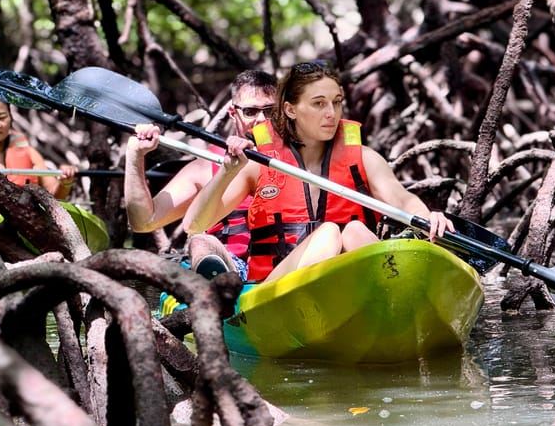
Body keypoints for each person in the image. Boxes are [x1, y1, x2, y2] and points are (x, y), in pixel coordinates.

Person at [182, 60, 455, 283]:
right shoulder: (259, 162)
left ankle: (399, 294)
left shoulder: (364, 158)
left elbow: (403, 200)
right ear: (289, 109)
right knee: (328, 233)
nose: (331, 113)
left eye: (337, 102)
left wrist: (427, 217)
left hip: (349, 283)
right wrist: (228, 172)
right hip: (276, 292)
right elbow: (194, 225)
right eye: (319, 103)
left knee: (355, 230)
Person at [124, 70, 277, 279]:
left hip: (284, 271)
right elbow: (144, 221)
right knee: (201, 242)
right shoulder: (205, 166)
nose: (261, 119)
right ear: (233, 113)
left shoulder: (302, 158)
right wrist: (135, 155)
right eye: (250, 111)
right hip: (232, 275)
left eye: (270, 111)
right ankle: (219, 288)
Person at [0, 96, 76, 200]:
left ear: (10, 118)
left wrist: (65, 182)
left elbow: (55, 196)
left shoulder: (29, 153)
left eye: (2, 117)